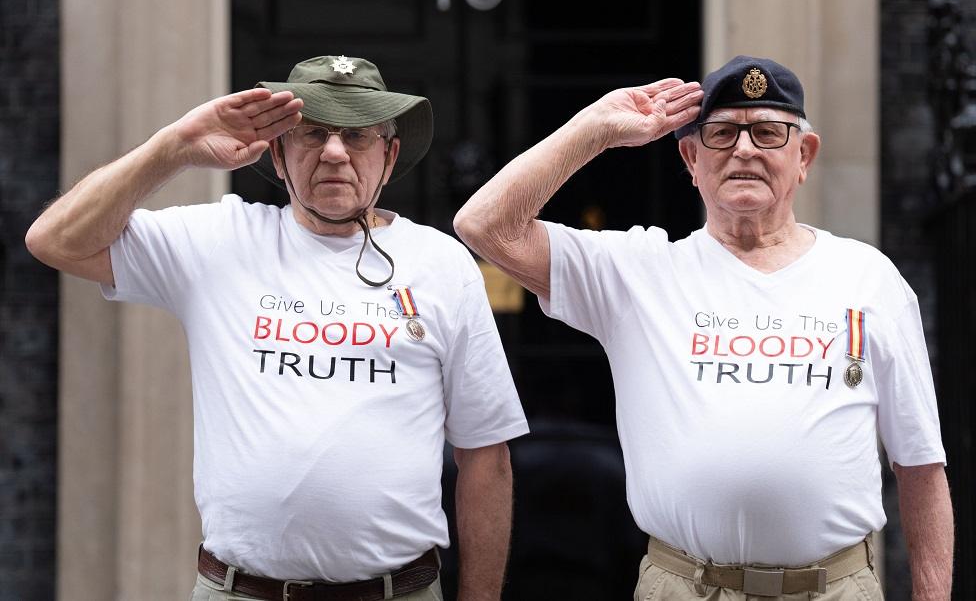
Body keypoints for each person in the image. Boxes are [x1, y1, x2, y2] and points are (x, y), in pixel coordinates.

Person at [27, 55, 529, 601]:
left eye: (357, 136)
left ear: (389, 156)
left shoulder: (441, 263)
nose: (334, 152)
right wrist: (173, 147)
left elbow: (485, 454)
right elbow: (55, 240)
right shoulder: (221, 238)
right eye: (312, 133)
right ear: (278, 153)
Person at [454, 56, 953, 600]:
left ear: (803, 155)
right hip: (683, 588)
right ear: (690, 158)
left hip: (833, 589)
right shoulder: (638, 271)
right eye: (721, 134)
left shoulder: (868, 278)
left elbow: (921, 467)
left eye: (767, 131)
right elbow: (483, 225)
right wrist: (595, 129)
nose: (744, 149)